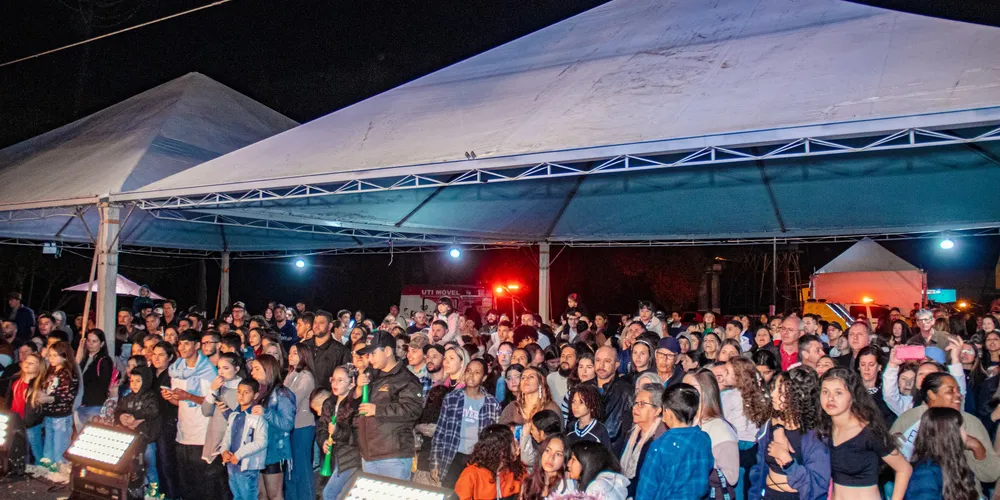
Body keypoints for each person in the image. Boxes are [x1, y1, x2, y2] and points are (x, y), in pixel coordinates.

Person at [890, 372, 1000, 495]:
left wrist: (977, 448)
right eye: (950, 391)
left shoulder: (971, 422)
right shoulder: (909, 420)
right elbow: (888, 467)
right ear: (931, 394)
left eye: (958, 390)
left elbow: (991, 475)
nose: (958, 395)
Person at [818, 368, 911, 500]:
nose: (830, 398)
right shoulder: (825, 429)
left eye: (838, 393)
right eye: (825, 392)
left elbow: (904, 469)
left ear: (852, 396)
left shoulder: (868, 431)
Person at [749, 367, 831, 500]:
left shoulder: (814, 436)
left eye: (780, 391)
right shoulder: (771, 426)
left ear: (797, 396)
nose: (773, 395)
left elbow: (817, 486)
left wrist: (787, 461)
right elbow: (758, 470)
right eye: (774, 389)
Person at [355, 330, 424, 480]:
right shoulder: (371, 375)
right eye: (368, 355)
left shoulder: (406, 379)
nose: (370, 358)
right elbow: (353, 407)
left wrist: (377, 410)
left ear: (387, 351)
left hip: (393, 455)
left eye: (373, 354)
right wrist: (358, 389)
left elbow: (413, 410)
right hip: (369, 453)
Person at [164, 330, 217, 500]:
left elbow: (212, 401)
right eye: (180, 344)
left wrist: (188, 396)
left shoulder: (208, 370)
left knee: (202, 484)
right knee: (185, 484)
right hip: (183, 433)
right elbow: (178, 402)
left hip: (202, 434)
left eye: (187, 343)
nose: (182, 347)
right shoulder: (177, 369)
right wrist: (171, 397)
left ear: (197, 346)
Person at [431, 358, 501, 488]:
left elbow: (496, 440)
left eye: (477, 372)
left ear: (484, 378)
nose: (471, 375)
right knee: (450, 494)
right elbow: (440, 432)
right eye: (468, 371)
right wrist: (435, 463)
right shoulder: (452, 398)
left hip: (478, 459)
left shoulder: (492, 404)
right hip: (453, 455)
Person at [684, 370, 739, 498]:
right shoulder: (687, 423)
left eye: (690, 389)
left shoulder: (721, 429)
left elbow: (731, 477)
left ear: (707, 392)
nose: (683, 395)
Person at [903, 407, 979, 500]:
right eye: (962, 429)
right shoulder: (926, 473)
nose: (966, 435)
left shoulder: (956, 464)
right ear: (950, 434)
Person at [248, 354, 295, 500]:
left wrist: (266, 413)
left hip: (274, 450)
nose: (252, 373)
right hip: (258, 449)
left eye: (256, 369)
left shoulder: (282, 393)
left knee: (274, 495)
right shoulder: (258, 392)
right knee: (261, 494)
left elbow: (287, 424)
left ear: (267, 370)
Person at [202, 351, 245, 500]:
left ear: (237, 369)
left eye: (226, 368)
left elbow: (242, 418)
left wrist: (227, 410)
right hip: (215, 439)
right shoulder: (219, 386)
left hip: (231, 444)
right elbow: (206, 411)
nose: (221, 372)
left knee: (226, 484)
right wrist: (212, 390)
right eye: (219, 368)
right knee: (215, 485)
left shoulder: (243, 388)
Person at [114, 366, 162, 498]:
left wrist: (136, 416)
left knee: (149, 467)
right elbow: (118, 410)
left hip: (146, 440)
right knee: (133, 468)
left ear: (145, 381)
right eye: (132, 381)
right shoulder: (128, 397)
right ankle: (134, 492)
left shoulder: (150, 396)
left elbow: (153, 411)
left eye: (138, 381)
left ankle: (154, 493)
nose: (134, 384)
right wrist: (121, 417)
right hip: (131, 440)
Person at [317, 365, 362, 500]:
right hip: (333, 457)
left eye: (340, 380)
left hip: (349, 457)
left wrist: (337, 431)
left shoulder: (356, 405)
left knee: (329, 493)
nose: (335, 384)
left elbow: (358, 435)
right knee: (341, 495)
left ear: (351, 384)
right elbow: (322, 427)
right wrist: (323, 440)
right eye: (333, 380)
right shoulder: (329, 403)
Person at [220, 378, 269, 500]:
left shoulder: (257, 417)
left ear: (255, 395)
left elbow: (261, 441)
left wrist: (239, 454)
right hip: (232, 464)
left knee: (248, 496)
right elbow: (227, 436)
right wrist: (224, 450)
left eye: (246, 392)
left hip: (247, 465)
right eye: (239, 391)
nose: (241, 395)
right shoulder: (234, 415)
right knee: (237, 496)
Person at [454, 424, 525, 500]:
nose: (517, 445)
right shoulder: (471, 475)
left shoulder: (517, 471)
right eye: (512, 442)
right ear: (501, 449)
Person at [620, 382, 666, 497]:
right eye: (636, 403)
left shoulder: (660, 439)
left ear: (657, 410)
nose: (635, 407)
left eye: (642, 404)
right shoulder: (631, 433)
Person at [38, 340, 78, 470]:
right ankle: (48, 468)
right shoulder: (52, 372)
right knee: (49, 445)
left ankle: (60, 470)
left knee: (59, 446)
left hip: (61, 415)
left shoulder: (68, 373)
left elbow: (67, 396)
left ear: (65, 355)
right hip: (49, 414)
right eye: (50, 355)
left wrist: (48, 399)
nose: (51, 358)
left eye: (55, 355)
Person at [283, 345, 317, 500]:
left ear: (304, 355)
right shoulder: (292, 373)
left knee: (301, 468)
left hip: (302, 427)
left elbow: (291, 401)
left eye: (295, 353)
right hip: (290, 426)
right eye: (289, 352)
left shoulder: (306, 377)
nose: (290, 355)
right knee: (291, 469)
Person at [150, 342, 181, 499]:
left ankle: (172, 495)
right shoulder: (149, 374)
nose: (156, 358)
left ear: (170, 357)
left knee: (166, 462)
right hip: (151, 423)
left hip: (167, 423)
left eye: (161, 354)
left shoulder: (172, 376)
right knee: (154, 463)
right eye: (154, 354)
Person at [594, 346, 634, 454]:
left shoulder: (627, 392)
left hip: (613, 453)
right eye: (598, 360)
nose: (601, 365)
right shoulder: (583, 389)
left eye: (607, 361)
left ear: (616, 365)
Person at [8, 352, 44, 464]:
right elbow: (10, 400)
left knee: (35, 448)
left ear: (39, 367)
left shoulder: (39, 384)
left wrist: (31, 421)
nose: (27, 364)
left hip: (31, 424)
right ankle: (22, 468)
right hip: (15, 421)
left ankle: (40, 469)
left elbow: (37, 409)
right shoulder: (15, 380)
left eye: (31, 363)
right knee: (19, 448)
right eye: (26, 361)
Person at [303, 310, 351, 391]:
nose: (316, 326)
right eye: (315, 322)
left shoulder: (341, 351)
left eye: (321, 323)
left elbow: (345, 379)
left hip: (325, 398)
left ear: (330, 326)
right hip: (301, 397)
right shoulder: (304, 346)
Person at [519, 434, 575, 499]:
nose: (551, 457)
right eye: (547, 450)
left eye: (558, 454)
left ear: (565, 459)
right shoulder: (528, 484)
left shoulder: (567, 488)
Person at [76, 328, 114, 425]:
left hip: (95, 404)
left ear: (101, 344)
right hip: (81, 404)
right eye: (88, 340)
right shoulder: (84, 358)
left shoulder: (104, 360)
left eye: (94, 341)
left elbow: (103, 384)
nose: (90, 343)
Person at [565, 383, 611, 449]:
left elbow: (608, 456)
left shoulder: (600, 431)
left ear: (593, 406)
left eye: (581, 402)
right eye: (573, 402)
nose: (575, 407)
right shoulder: (570, 427)